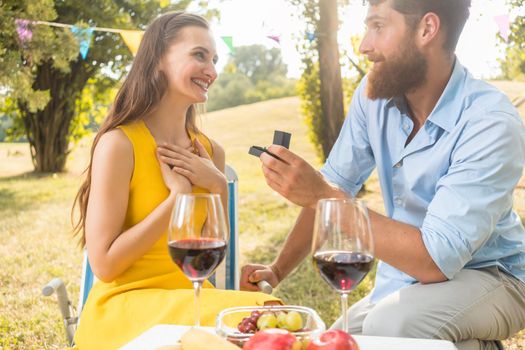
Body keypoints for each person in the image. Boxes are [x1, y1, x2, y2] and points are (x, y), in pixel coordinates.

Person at [240, 1, 525, 349]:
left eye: (378, 27)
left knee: (395, 325)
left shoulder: (490, 122)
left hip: (492, 275)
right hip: (406, 278)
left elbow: (436, 259)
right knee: (336, 341)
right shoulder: (374, 96)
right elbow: (336, 184)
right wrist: (277, 270)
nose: (364, 45)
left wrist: (321, 196)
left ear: (426, 29)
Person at [72, 12, 279, 349]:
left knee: (273, 317)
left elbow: (211, 260)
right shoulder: (119, 144)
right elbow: (105, 265)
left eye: (214, 59)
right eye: (199, 55)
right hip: (126, 308)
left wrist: (215, 185)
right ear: (157, 61)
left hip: (191, 298)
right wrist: (177, 199)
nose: (211, 70)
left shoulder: (211, 152)